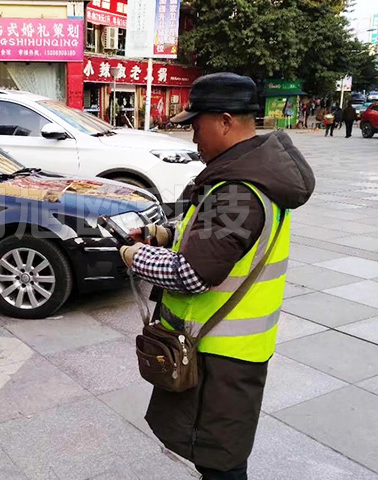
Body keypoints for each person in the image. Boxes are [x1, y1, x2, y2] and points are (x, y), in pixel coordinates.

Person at [118, 73, 315, 480]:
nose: (194, 138)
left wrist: (134, 256)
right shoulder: (248, 176)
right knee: (217, 453)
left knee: (220, 462)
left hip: (221, 358)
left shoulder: (238, 190)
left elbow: (192, 273)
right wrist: (164, 234)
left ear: (225, 121)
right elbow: (216, 238)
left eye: (197, 125)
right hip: (225, 350)